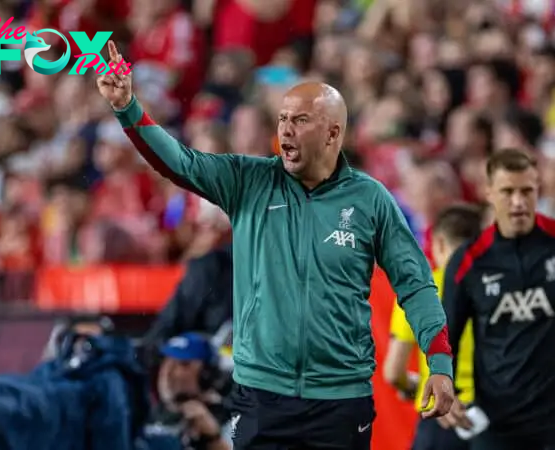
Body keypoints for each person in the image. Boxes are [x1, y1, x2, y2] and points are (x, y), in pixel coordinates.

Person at [97, 40, 455, 450]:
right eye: (282, 118)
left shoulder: (370, 200)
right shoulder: (248, 181)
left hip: (341, 401)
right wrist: (127, 107)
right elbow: (180, 162)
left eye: (300, 120)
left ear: (333, 132)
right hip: (261, 398)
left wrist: (439, 364)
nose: (285, 128)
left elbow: (416, 284)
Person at [442, 148, 555, 450]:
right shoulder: (468, 262)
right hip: (496, 425)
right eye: (508, 192)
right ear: (488, 192)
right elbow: (443, 336)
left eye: (527, 191)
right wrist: (444, 387)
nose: (518, 202)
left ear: (538, 190)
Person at [384, 204, 483, 450]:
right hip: (489, 417)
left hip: (439, 419)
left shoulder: (419, 291)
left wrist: (411, 386)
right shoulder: (496, 288)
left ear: (438, 242)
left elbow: (393, 371)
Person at [140, 332, 231, 450]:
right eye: (165, 362)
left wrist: (213, 439)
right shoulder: (145, 415)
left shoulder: (231, 418)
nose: (167, 372)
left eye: (183, 364)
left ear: (207, 373)